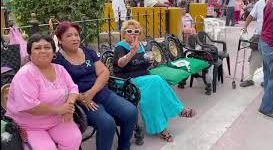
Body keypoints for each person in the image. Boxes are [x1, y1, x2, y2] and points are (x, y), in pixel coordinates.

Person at [53, 21, 137, 150]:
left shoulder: (88, 52)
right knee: (106, 123)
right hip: (81, 101)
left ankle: (124, 146)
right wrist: (81, 97)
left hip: (100, 93)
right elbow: (61, 88)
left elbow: (104, 72)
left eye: (76, 34)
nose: (75, 38)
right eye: (69, 36)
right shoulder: (57, 61)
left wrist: (92, 92)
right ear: (59, 39)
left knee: (130, 111)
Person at [113, 20, 196, 142]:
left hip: (143, 78)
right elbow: (120, 64)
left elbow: (143, 64)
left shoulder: (140, 45)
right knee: (155, 81)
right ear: (123, 33)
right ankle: (178, 112)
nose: (133, 34)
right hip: (126, 80)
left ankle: (160, 127)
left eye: (136, 31)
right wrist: (132, 52)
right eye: (129, 31)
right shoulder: (121, 46)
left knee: (155, 87)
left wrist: (149, 60)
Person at [5, 34, 82, 150]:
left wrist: (69, 107)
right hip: (30, 125)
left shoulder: (59, 69)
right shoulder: (25, 74)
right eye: (37, 48)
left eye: (47, 47)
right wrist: (59, 109)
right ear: (30, 54)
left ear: (53, 51)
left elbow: (73, 88)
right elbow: (29, 105)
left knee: (74, 138)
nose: (43, 51)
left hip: (57, 119)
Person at [240, 0, 273, 88]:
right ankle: (250, 78)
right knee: (254, 58)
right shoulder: (260, 3)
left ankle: (266, 80)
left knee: (270, 61)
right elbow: (250, 16)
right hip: (259, 36)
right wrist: (245, 26)